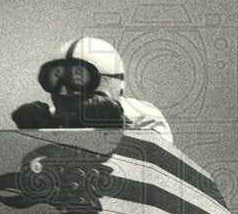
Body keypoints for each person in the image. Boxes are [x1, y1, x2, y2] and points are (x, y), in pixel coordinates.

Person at [12, 36, 173, 142]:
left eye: (78, 77)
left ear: (106, 81)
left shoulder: (144, 115)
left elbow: (159, 159)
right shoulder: (51, 118)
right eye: (55, 78)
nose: (65, 90)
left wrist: (119, 126)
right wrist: (39, 135)